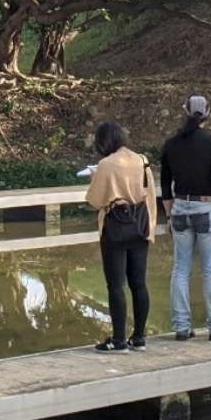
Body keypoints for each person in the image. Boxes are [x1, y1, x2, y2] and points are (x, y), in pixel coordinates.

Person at [159, 95, 211, 340]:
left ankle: (181, 327)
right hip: (206, 208)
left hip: (180, 208)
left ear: (184, 111)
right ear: (208, 114)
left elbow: (165, 186)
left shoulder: (171, 144)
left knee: (180, 270)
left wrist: (170, 215)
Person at [84, 120, 157, 351]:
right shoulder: (142, 160)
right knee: (139, 284)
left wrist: (93, 179)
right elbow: (151, 195)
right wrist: (150, 229)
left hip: (114, 229)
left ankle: (118, 340)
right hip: (140, 226)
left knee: (116, 285)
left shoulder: (105, 164)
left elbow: (94, 200)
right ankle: (139, 337)